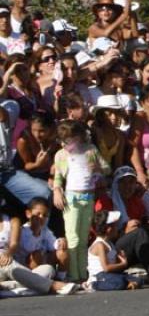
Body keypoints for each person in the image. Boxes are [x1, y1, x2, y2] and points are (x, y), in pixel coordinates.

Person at [52, 120, 110, 281]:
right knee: (73, 238)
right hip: (71, 198)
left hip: (88, 197)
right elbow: (57, 177)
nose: (67, 143)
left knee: (83, 238)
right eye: (64, 140)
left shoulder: (91, 150)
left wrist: (98, 169)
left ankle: (82, 275)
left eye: (70, 139)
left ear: (79, 136)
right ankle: (73, 274)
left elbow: (106, 168)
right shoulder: (61, 155)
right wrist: (57, 191)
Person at [0, 202, 77, 296]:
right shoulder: (25, 230)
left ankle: (8, 287)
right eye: (38, 214)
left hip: (8, 263)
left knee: (48, 269)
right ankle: (53, 286)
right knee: (14, 265)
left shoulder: (13, 221)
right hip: (12, 266)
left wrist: (8, 254)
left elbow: (14, 244)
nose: (41, 217)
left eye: (44, 215)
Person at [86, 210, 143, 291]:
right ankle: (93, 285)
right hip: (99, 276)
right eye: (115, 226)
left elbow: (113, 264)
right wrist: (123, 264)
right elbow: (106, 268)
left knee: (139, 279)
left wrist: (120, 257)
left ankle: (128, 284)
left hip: (110, 275)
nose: (117, 228)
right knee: (120, 283)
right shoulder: (100, 245)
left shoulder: (110, 243)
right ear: (109, 229)